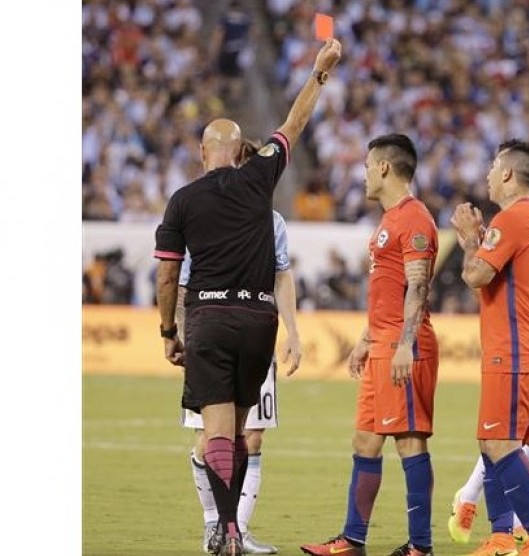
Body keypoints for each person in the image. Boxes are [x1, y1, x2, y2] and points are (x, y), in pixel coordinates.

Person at [154, 38, 342, 556]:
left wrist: (169, 331)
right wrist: (319, 73)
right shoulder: (260, 180)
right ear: (242, 152)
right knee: (241, 432)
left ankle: (228, 528)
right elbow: (295, 125)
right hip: (259, 321)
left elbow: (168, 278)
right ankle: (233, 529)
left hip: (209, 317)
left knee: (217, 433)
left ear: (201, 152)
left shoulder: (182, 201)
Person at [299, 133, 439, 556]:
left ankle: (420, 546)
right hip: (381, 342)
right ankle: (352, 540)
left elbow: (417, 288)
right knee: (365, 441)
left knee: (410, 442)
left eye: (365, 166)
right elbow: (387, 290)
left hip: (403, 346)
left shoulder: (414, 219)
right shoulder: (389, 220)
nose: (362, 175)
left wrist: (404, 345)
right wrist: (365, 337)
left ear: (383, 167)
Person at [448, 149, 529, 545]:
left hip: (516, 349)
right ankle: (501, 537)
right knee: (495, 443)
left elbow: (475, 276)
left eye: (491, 168)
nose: (486, 175)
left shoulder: (516, 217)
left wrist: (471, 240)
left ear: (507, 175)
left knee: (501, 444)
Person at [179, 194, 301, 553]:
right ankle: (213, 526)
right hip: (210, 335)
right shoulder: (203, 214)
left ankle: (237, 530)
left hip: (255, 336)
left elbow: (282, 274)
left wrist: (292, 331)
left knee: (252, 436)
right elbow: (182, 278)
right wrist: (184, 335)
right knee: (209, 438)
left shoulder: (272, 221)